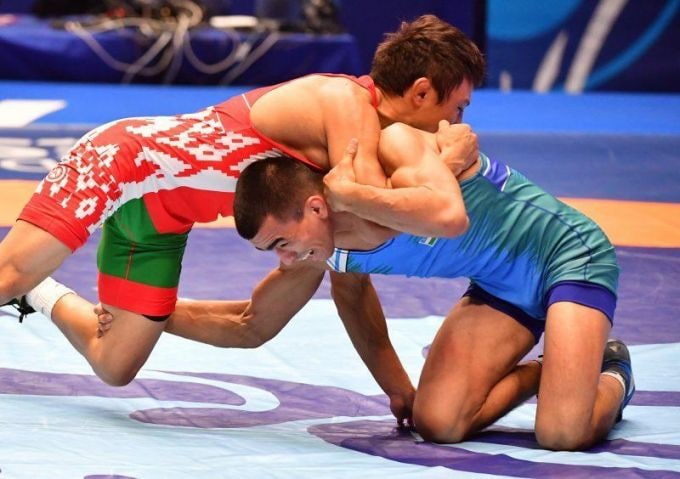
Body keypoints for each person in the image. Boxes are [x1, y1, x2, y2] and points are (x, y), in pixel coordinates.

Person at [0, 15, 484, 386]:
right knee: (8, 274)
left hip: (162, 217)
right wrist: (446, 163)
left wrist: (397, 389)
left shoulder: (364, 157)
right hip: (123, 161)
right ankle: (23, 281)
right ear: (422, 92)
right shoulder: (345, 101)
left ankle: (38, 292)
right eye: (457, 106)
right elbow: (371, 226)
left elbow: (351, 252)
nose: (456, 123)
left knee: (115, 365)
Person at [175, 122, 633, 452]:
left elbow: (447, 167)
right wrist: (150, 311)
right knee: (438, 423)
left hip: (567, 257)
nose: (285, 259)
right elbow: (256, 320)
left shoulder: (391, 166)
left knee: (562, 433)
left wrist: (445, 149)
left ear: (316, 207)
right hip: (499, 289)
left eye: (281, 243)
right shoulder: (326, 250)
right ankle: (555, 368)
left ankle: (614, 373)